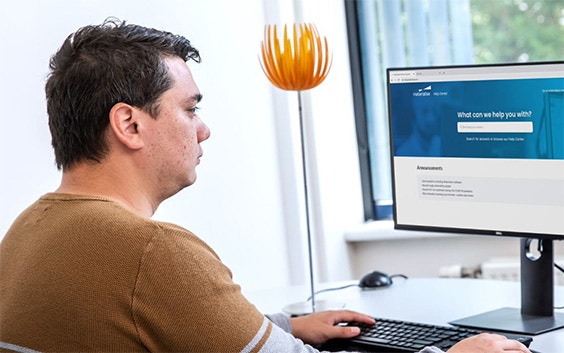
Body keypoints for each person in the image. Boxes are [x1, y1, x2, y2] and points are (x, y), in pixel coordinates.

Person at [0, 19, 530, 353]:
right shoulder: (152, 253)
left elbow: (163, 326)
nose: (204, 128)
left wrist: (284, 326)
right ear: (130, 124)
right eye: (190, 109)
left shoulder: (27, 230)